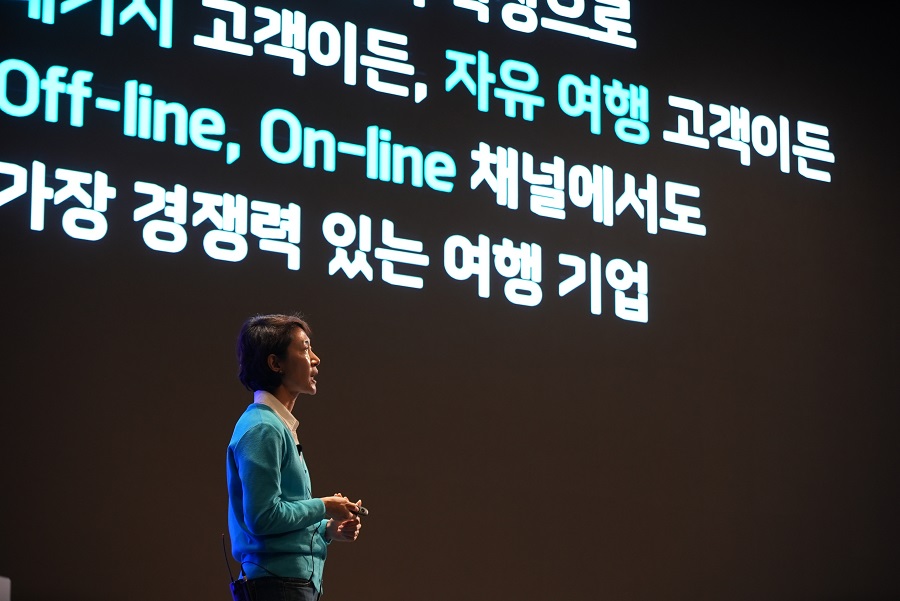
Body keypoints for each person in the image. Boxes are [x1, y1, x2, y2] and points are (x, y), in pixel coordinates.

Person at [227, 314, 363, 601]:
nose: (316, 359)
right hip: (277, 587)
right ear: (275, 363)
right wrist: (324, 505)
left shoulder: (276, 425)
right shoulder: (264, 427)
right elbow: (263, 517)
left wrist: (327, 528)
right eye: (304, 348)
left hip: (287, 585)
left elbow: (281, 515)